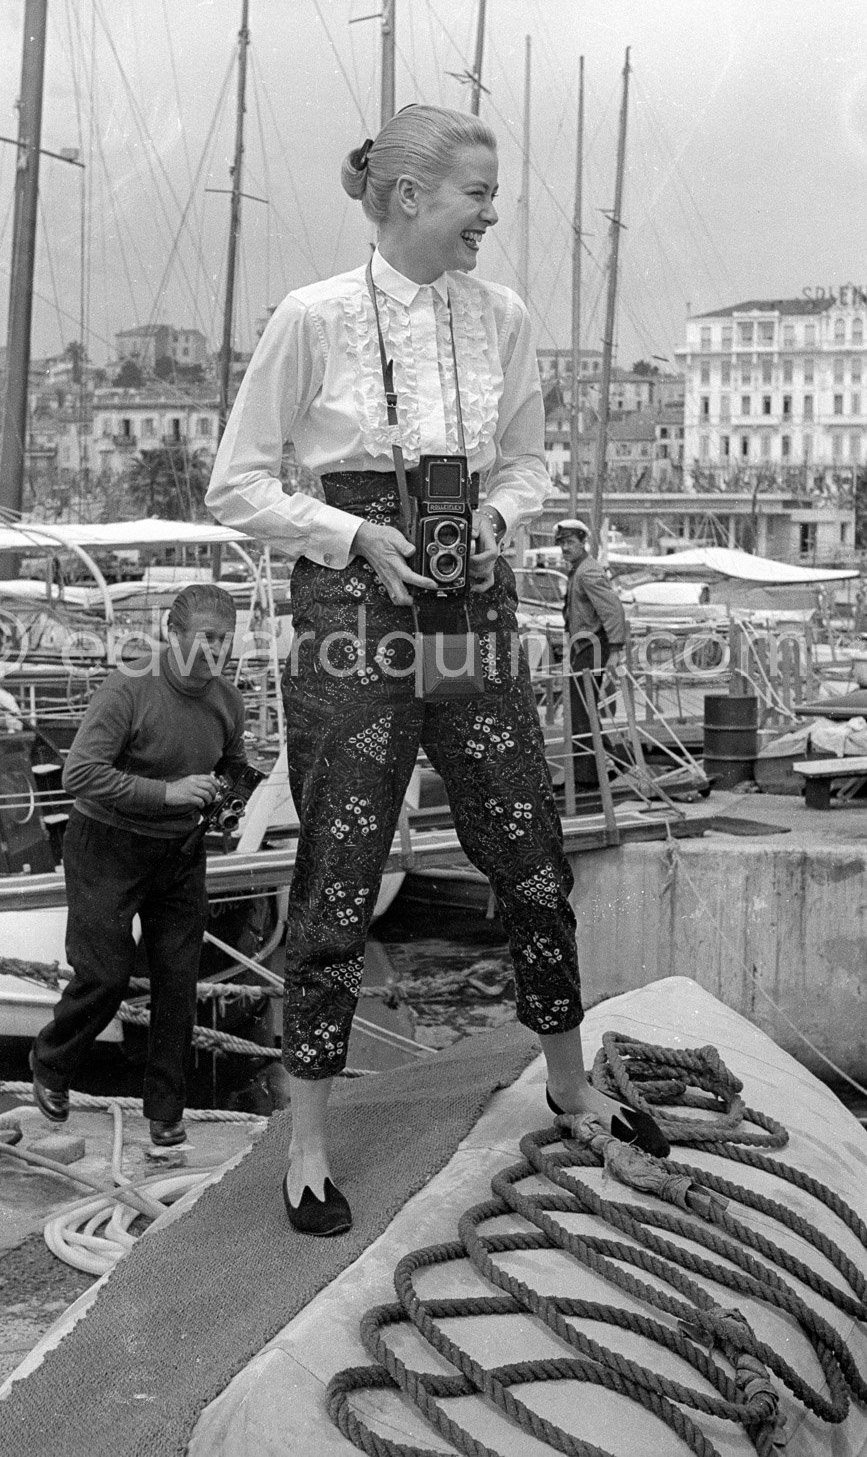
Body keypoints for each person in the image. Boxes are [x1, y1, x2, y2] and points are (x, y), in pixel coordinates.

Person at [206, 104, 668, 1237]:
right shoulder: (312, 318)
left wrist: (502, 523)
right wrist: (353, 535)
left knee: (528, 849)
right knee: (340, 867)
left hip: (472, 608)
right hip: (349, 620)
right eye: (476, 192)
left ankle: (567, 1083)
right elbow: (236, 486)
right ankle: (306, 1137)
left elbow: (524, 462)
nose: (491, 213)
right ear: (410, 196)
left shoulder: (499, 316)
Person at [30, 584, 247, 1148]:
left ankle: (166, 1112)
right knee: (105, 975)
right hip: (107, 844)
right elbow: (80, 774)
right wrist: (167, 793)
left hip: (180, 854)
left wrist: (226, 795)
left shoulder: (227, 700)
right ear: (172, 636)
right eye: (204, 640)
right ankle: (52, 1064)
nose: (215, 654)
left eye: (225, 641)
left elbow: (234, 764)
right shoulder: (128, 688)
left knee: (179, 984)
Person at [554, 518, 629, 789]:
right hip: (582, 647)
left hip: (592, 647)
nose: (565, 548)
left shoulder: (587, 572)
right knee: (581, 710)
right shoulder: (579, 570)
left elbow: (613, 610)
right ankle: (607, 761)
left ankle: (590, 775)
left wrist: (616, 650)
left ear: (582, 542)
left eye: (570, 542)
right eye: (561, 543)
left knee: (580, 710)